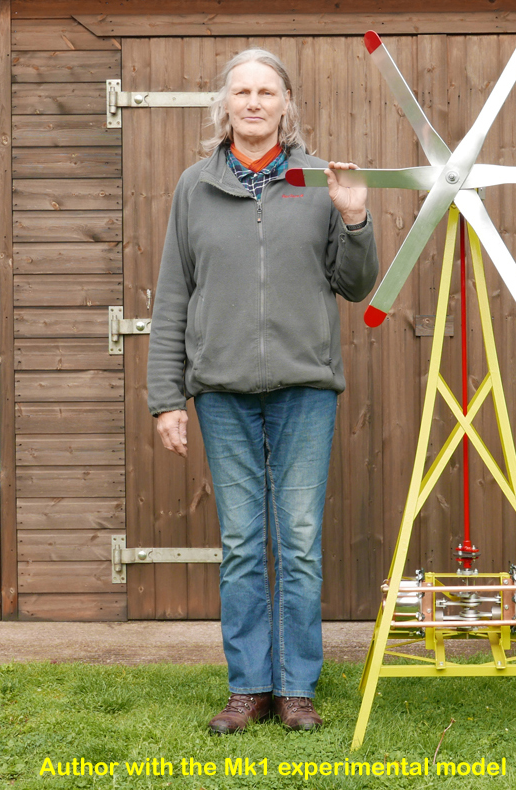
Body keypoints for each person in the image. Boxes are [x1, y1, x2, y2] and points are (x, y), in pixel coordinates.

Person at [146, 48, 378, 734]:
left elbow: (356, 284)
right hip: (222, 393)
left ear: (286, 104)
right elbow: (173, 297)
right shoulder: (194, 187)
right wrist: (167, 398)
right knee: (244, 544)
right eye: (242, 91)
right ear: (225, 104)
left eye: (266, 92)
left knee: (298, 542)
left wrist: (355, 219)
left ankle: (296, 688)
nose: (253, 103)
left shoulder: (318, 181)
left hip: (305, 389)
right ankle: (248, 686)